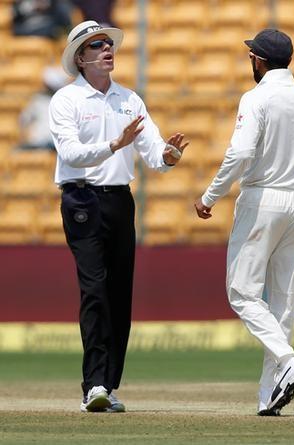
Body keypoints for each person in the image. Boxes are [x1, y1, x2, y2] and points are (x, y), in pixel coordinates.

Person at [193, 29, 294, 417]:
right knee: (283, 299)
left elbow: (240, 152)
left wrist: (209, 196)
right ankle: (269, 393)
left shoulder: (256, 98)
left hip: (261, 199)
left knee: (241, 292)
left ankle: (287, 362)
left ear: (257, 60)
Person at [49, 20, 189, 413]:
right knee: (94, 290)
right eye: (96, 45)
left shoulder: (130, 99)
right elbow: (72, 155)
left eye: (108, 44)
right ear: (80, 57)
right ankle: (93, 383)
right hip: (81, 201)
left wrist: (168, 156)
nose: (107, 49)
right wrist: (114, 144)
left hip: (118, 200)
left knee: (119, 294)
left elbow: (154, 153)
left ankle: (108, 386)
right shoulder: (65, 100)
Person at [18, 66, 69, 150]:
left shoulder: (37, 100)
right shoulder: (66, 101)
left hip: (40, 143)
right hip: (56, 144)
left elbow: (23, 120)